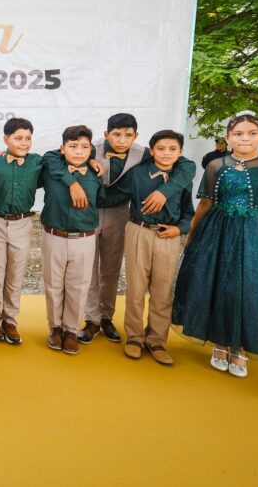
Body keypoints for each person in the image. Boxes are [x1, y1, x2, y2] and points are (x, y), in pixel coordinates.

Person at [172, 114, 258, 377]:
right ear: (228, 137)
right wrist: (191, 236)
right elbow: (205, 204)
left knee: (251, 286)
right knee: (219, 284)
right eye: (238, 134)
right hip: (218, 233)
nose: (244, 138)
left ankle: (243, 348)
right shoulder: (216, 166)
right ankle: (220, 343)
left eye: (251, 133)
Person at [78, 114, 195, 346]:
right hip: (88, 211)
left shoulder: (144, 152)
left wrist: (166, 191)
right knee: (88, 269)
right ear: (106, 134)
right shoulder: (90, 148)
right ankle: (91, 319)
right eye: (116, 134)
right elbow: (61, 157)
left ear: (136, 136)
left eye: (128, 135)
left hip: (120, 211)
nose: (122, 140)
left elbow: (187, 166)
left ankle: (105, 317)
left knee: (110, 269)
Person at [103, 130, 195, 365]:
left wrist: (180, 228)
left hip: (168, 236)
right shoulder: (137, 173)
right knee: (135, 286)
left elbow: (188, 212)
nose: (166, 153)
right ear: (151, 150)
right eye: (161, 149)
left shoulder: (182, 176)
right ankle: (134, 337)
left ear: (180, 152)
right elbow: (113, 195)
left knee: (163, 290)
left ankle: (157, 340)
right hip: (138, 231)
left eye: (173, 149)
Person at [39, 125, 106, 355]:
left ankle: (70, 330)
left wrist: (93, 161)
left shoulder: (95, 174)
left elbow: (104, 199)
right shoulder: (52, 166)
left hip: (84, 238)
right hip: (53, 235)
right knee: (53, 284)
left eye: (85, 147)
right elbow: (49, 156)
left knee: (78, 286)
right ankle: (55, 327)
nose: (79, 151)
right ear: (63, 148)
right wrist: (72, 182)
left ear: (91, 150)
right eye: (73, 146)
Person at [0, 117, 44, 345]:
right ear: (6, 139)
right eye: (18, 138)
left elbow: (58, 164)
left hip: (22, 222)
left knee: (16, 272)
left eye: (28, 138)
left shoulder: (38, 162)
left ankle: (11, 319)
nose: (24, 143)